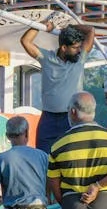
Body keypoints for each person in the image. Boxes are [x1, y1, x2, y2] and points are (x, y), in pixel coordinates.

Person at [20, 18, 95, 153]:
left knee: (71, 156)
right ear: (64, 47)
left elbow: (90, 31)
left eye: (79, 47)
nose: (79, 50)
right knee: (43, 156)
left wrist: (69, 27)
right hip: (48, 118)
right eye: (75, 47)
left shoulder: (80, 59)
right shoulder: (47, 57)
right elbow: (25, 41)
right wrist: (40, 26)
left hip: (72, 117)